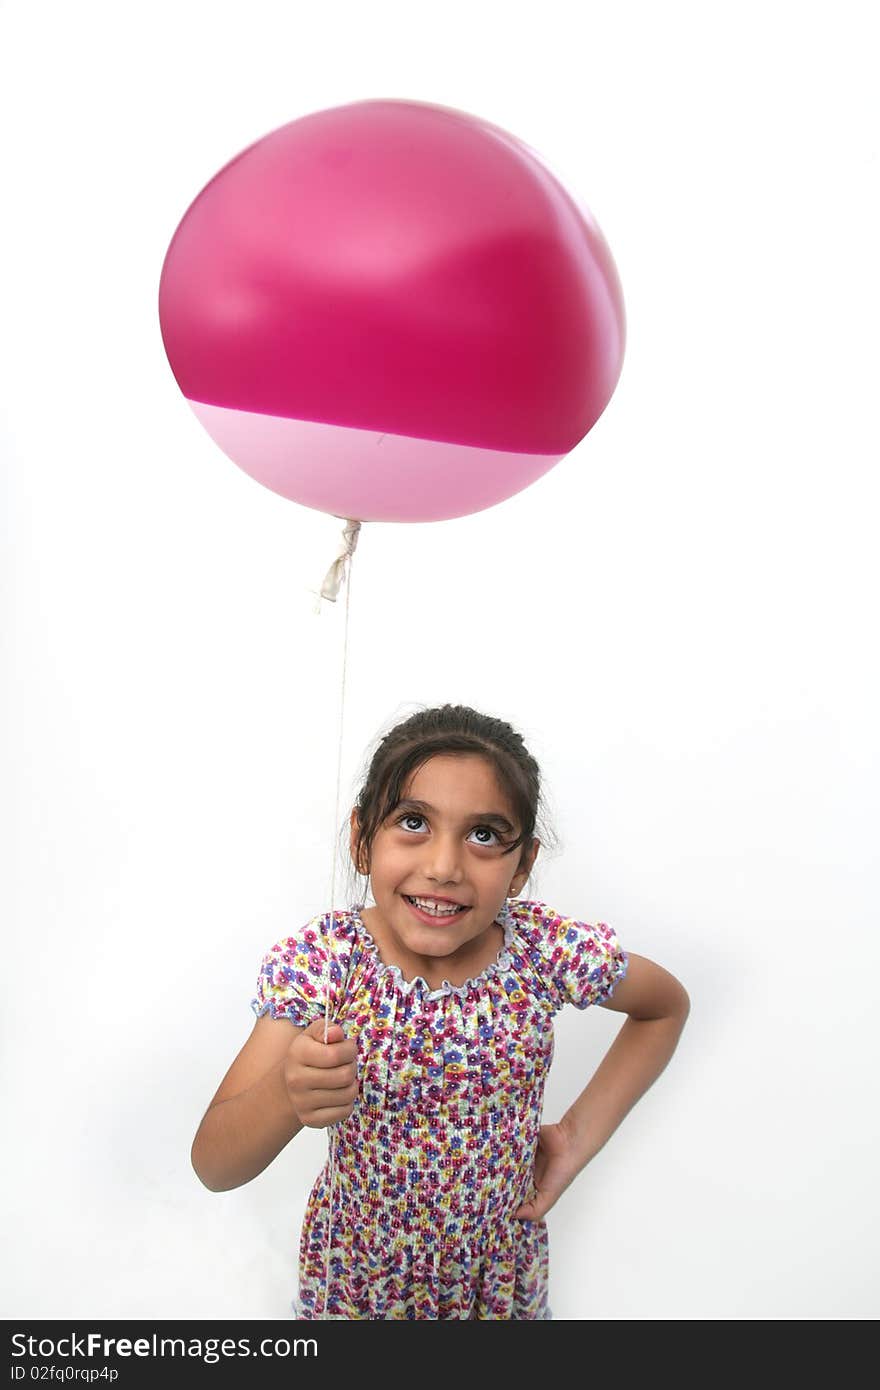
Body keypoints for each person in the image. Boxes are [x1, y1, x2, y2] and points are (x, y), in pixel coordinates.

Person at [191, 704, 690, 1319]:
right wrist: (285, 1099)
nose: (444, 867)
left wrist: (571, 1140)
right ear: (361, 840)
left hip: (496, 1287)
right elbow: (214, 1164)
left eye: (483, 835)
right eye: (413, 822)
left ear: (523, 866)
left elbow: (664, 1008)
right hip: (360, 1288)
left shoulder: (542, 952)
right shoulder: (325, 964)